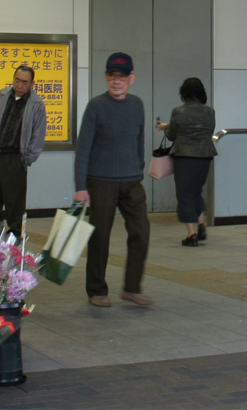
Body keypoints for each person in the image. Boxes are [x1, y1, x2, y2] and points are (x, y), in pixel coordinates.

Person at [73, 52, 152, 308]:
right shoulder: (96, 106)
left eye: (122, 76)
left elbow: (140, 141)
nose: (116, 81)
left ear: (131, 78)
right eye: (111, 75)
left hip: (131, 181)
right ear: (106, 77)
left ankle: (131, 287)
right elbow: (83, 147)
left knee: (141, 232)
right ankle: (97, 290)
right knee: (100, 237)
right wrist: (80, 186)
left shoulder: (137, 104)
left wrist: (138, 170)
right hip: (101, 181)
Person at [0, 64, 47, 239]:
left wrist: (28, 158)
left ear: (32, 84)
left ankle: (15, 239)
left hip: (16, 159)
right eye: (17, 80)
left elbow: (38, 134)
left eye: (25, 82)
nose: (20, 85)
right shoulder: (2, 96)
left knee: (14, 203)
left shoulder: (36, 104)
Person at [155, 78, 217, 247]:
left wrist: (165, 128)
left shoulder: (178, 111)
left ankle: (191, 234)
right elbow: (207, 131)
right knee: (197, 191)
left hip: (184, 157)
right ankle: (202, 223)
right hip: (204, 157)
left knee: (185, 194)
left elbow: (172, 135)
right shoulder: (210, 112)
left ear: (184, 93)